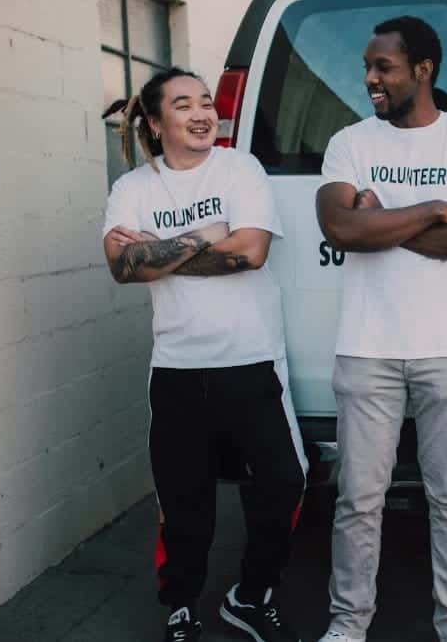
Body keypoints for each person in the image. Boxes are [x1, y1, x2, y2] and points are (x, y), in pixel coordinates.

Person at [313, 16, 447, 642]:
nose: (371, 78)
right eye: (369, 67)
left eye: (384, 67)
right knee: (357, 501)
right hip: (367, 349)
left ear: (422, 69)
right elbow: (342, 231)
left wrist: (385, 220)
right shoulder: (350, 143)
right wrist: (430, 210)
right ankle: (348, 625)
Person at [101, 67, 307, 642]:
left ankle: (249, 595)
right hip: (175, 369)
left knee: (282, 485)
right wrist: (203, 234)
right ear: (156, 121)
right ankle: (182, 605)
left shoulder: (239, 167)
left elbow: (250, 251)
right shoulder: (133, 188)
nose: (201, 113)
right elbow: (121, 268)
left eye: (206, 102)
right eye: (184, 104)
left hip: (250, 360)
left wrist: (157, 251)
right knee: (184, 503)